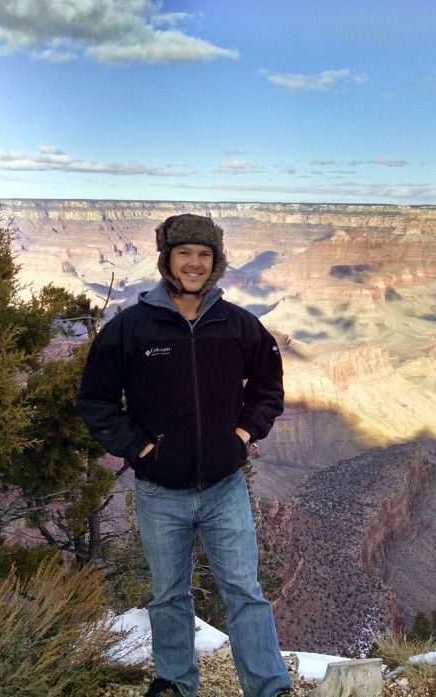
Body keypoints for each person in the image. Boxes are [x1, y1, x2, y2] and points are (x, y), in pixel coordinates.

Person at [77, 214, 292, 697]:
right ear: (167, 260)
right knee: (168, 596)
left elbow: (268, 387)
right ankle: (175, 683)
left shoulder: (238, 324)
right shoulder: (130, 327)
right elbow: (97, 400)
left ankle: (269, 687)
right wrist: (143, 450)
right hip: (159, 491)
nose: (194, 263)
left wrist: (241, 435)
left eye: (204, 255)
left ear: (215, 264)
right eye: (184, 253)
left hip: (224, 488)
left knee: (244, 593)